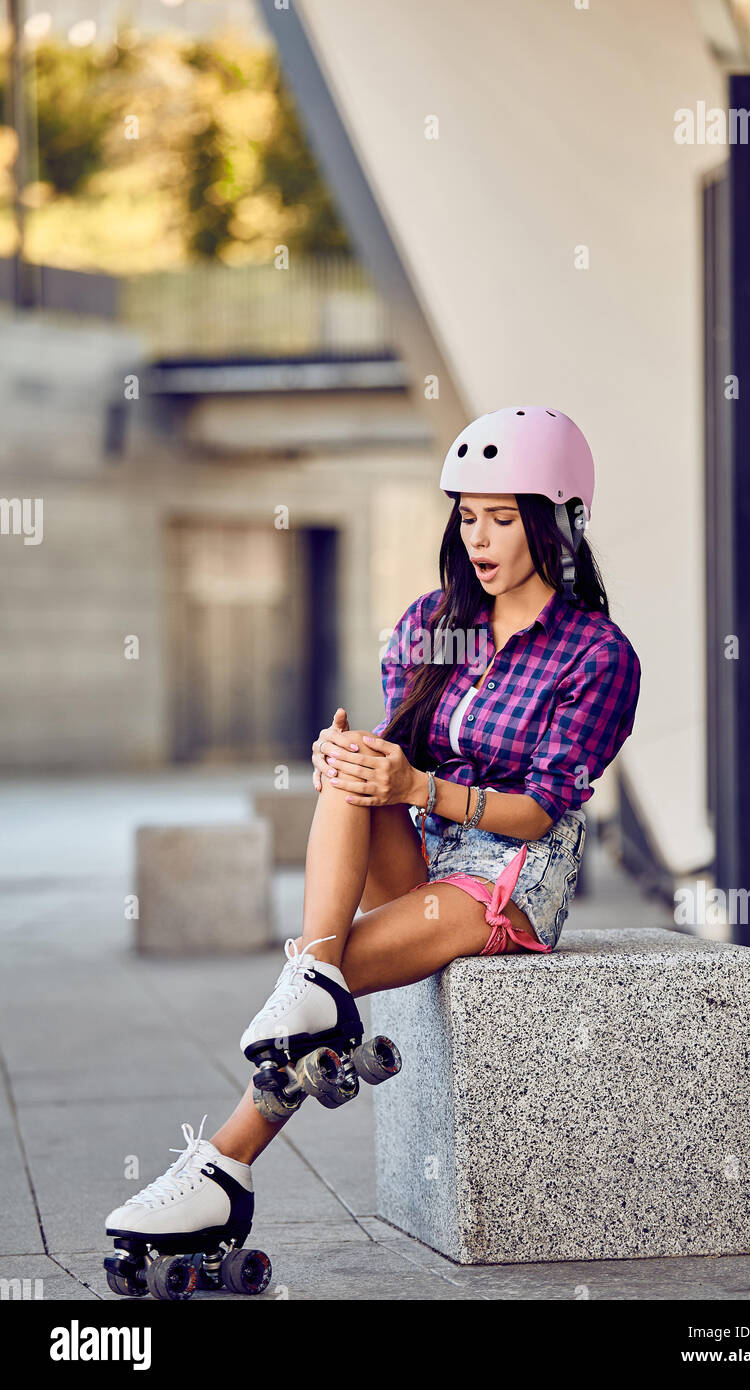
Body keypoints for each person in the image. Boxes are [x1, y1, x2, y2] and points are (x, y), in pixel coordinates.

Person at [103, 405, 640, 1297]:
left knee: (318, 992)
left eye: (502, 519)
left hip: (506, 882)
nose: (478, 538)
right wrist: (352, 760)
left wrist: (416, 787)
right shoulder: (432, 621)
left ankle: (223, 1163)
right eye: (467, 517)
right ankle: (311, 982)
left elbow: (540, 811)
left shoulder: (596, 655)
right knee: (353, 766)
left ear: (558, 524)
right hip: (423, 856)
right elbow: (395, 756)